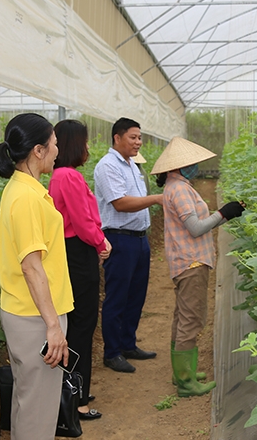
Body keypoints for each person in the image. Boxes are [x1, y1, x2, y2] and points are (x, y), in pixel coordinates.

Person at [0, 113, 74, 440]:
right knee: (37, 409)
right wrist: (53, 326)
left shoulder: (25, 190)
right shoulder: (25, 198)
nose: (57, 151)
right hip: (36, 317)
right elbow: (31, 266)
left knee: (30, 402)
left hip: (30, 313)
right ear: (38, 151)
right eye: (53, 145)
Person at [150, 137, 245, 397]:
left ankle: (184, 371)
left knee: (182, 317)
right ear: (182, 165)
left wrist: (222, 213)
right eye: (193, 162)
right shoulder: (179, 190)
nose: (197, 166)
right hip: (191, 261)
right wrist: (224, 213)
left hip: (185, 260)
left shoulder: (178, 185)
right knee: (191, 320)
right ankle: (186, 383)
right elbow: (195, 228)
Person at [48, 119, 112, 421]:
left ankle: (72, 389)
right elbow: (83, 222)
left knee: (76, 326)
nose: (87, 148)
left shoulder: (59, 175)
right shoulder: (69, 177)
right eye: (85, 142)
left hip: (69, 254)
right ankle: (79, 401)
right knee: (82, 328)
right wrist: (101, 243)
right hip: (78, 254)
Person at [93, 117, 163, 373]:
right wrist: (155, 199)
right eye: (133, 137)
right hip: (119, 239)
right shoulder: (107, 166)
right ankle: (111, 352)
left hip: (139, 238)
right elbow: (120, 203)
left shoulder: (132, 165)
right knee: (117, 298)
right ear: (117, 138)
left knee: (136, 295)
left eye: (139, 137)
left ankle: (127, 344)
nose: (138, 142)